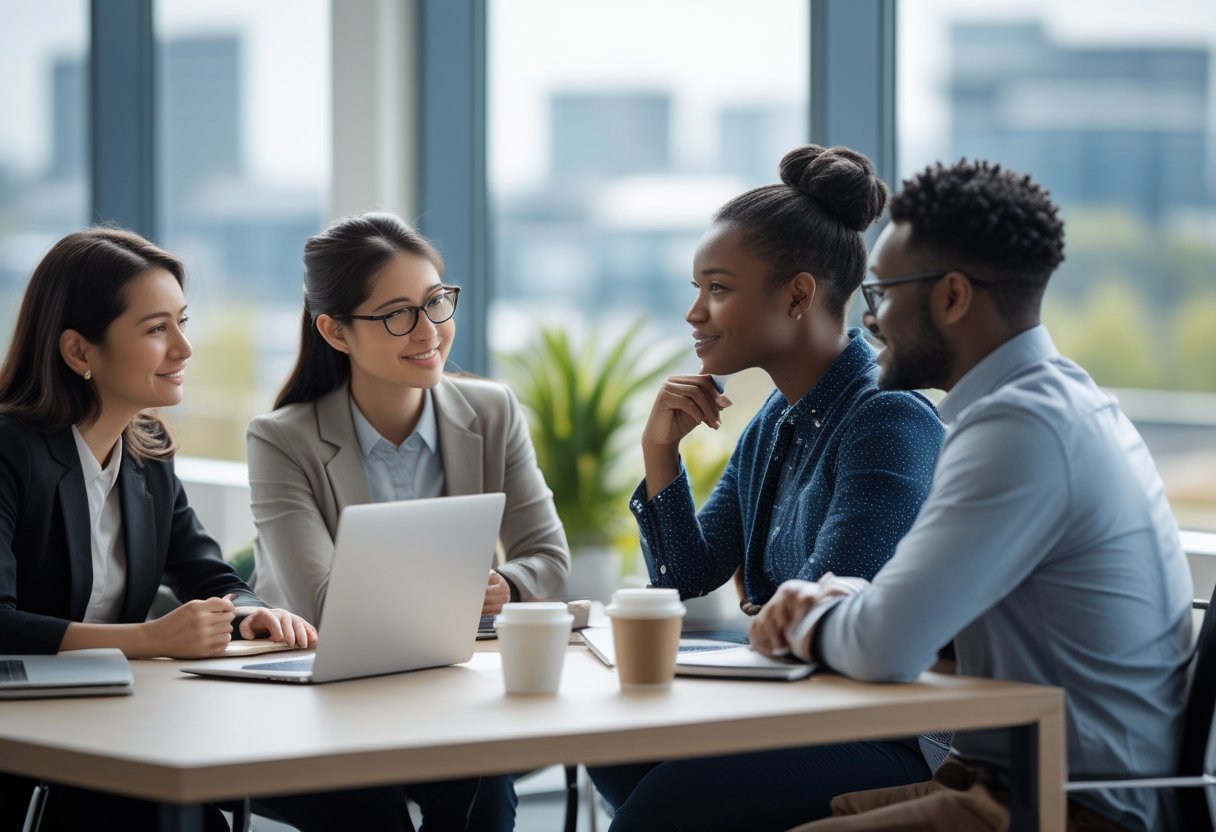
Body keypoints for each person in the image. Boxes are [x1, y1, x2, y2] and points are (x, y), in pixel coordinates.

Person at [752, 160, 1193, 832]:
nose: (871, 322)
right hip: (1019, 781)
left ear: (952, 297)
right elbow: (921, 617)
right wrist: (850, 603)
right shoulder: (1054, 403)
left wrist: (800, 615)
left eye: (884, 295)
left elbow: (883, 650)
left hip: (1065, 807)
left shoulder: (1020, 430)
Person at [586, 145, 948, 831]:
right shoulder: (776, 419)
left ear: (798, 294)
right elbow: (689, 575)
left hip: (873, 733)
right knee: (613, 751)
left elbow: (822, 617)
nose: (694, 312)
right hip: (789, 708)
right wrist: (660, 450)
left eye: (718, 289)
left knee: (662, 809)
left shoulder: (888, 420)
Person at [247, 211, 572, 830]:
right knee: (368, 808)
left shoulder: (491, 409)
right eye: (398, 314)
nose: (429, 331)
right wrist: (456, 593)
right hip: (326, 701)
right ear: (335, 332)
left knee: (484, 784)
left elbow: (550, 563)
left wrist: (507, 585)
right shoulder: (282, 439)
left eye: (436, 303)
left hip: (447, 693)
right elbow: (322, 604)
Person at [0, 228, 317, 831]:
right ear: (79, 352)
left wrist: (250, 612)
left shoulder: (146, 455)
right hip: (29, 740)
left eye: (182, 321)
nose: (185, 348)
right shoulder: (10, 451)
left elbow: (209, 572)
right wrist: (150, 638)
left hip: (121, 721)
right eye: (156, 329)